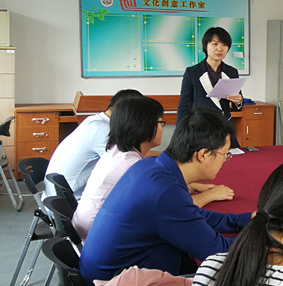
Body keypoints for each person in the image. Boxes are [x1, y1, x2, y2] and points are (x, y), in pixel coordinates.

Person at [77, 108, 253, 286]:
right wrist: (267, 237)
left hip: (104, 276)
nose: (225, 160)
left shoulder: (151, 166)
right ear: (203, 154)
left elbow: (192, 214)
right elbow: (218, 252)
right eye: (224, 154)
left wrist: (245, 219)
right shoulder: (164, 190)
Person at [71, 96, 236, 240]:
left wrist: (191, 186)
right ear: (143, 126)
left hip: (88, 228)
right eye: (160, 122)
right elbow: (174, 207)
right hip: (95, 233)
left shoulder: (119, 152)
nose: (163, 127)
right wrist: (210, 195)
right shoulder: (132, 166)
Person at [44, 89, 142, 199]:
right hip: (69, 201)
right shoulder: (103, 130)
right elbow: (126, 164)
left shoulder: (94, 121)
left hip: (57, 196)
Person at [177, 26, 243, 147]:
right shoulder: (192, 72)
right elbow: (184, 105)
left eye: (224, 45)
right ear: (206, 46)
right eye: (215, 44)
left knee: (233, 156)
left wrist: (239, 101)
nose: (220, 48)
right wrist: (180, 133)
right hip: (201, 129)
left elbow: (237, 103)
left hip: (224, 128)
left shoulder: (232, 72)